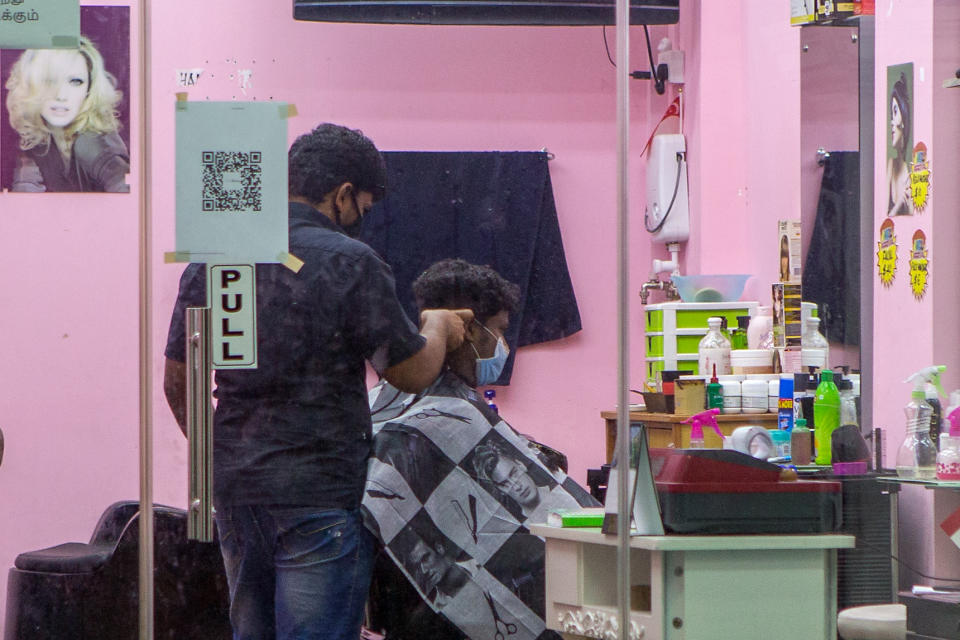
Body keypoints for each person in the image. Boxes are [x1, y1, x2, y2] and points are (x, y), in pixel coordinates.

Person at [163, 123, 471, 640]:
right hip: (317, 492)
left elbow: (180, 380)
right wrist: (437, 325)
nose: (361, 222)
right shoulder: (350, 261)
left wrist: (223, 458)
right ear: (343, 194)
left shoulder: (220, 256)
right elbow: (411, 371)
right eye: (363, 209)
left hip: (237, 493)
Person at [363, 258, 596, 640]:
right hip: (435, 617)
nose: (502, 345)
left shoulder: (391, 400)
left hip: (406, 603)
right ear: (469, 328)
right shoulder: (446, 412)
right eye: (500, 331)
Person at [5, 36, 129, 192]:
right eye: (49, 80)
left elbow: (122, 183)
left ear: (89, 90)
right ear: (31, 86)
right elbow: (25, 194)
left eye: (75, 81)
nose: (61, 95)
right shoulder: (37, 140)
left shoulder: (94, 142)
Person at [887, 72, 911, 216]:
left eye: (895, 112)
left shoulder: (912, 175)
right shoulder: (891, 165)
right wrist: (900, 204)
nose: (891, 122)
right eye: (891, 114)